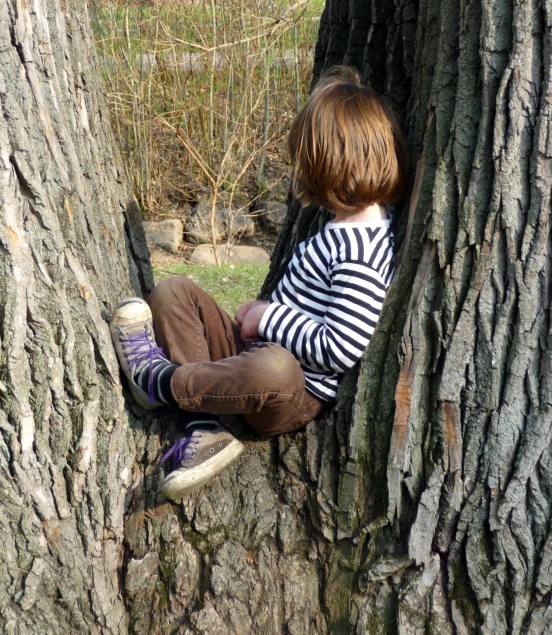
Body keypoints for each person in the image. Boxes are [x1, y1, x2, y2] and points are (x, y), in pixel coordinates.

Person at [110, 66, 409, 500]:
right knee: (175, 293)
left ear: (329, 165)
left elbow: (342, 346)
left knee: (275, 367)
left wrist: (270, 317)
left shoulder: (360, 250)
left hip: (292, 390)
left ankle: (158, 382)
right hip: (251, 356)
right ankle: (204, 429)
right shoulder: (346, 230)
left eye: (306, 162)